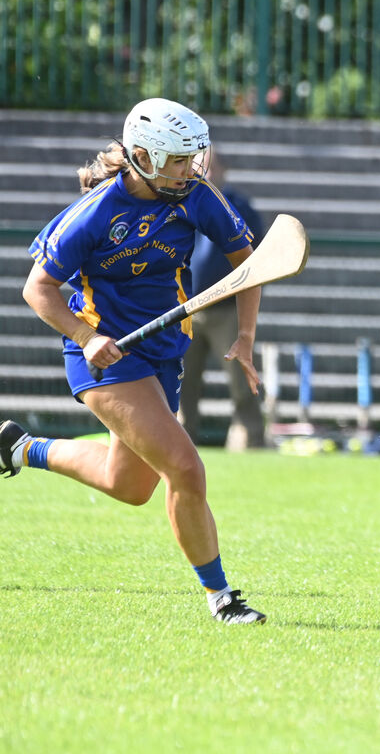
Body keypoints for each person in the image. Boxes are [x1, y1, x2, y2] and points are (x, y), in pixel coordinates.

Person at [0, 97, 267, 624]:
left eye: (195, 158)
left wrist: (246, 334)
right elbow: (38, 289)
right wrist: (85, 335)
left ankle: (19, 447)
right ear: (144, 156)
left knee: (128, 485)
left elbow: (248, 261)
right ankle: (222, 598)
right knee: (185, 468)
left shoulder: (196, 196)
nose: (191, 169)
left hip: (162, 351)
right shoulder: (95, 214)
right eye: (179, 160)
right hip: (102, 354)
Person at [178, 150, 268, 450]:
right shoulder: (180, 202)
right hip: (186, 308)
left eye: (211, 166)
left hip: (227, 310)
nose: (206, 172)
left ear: (224, 170)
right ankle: (179, 442)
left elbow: (258, 256)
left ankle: (250, 440)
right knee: (182, 383)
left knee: (241, 382)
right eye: (200, 166)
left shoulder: (239, 205)